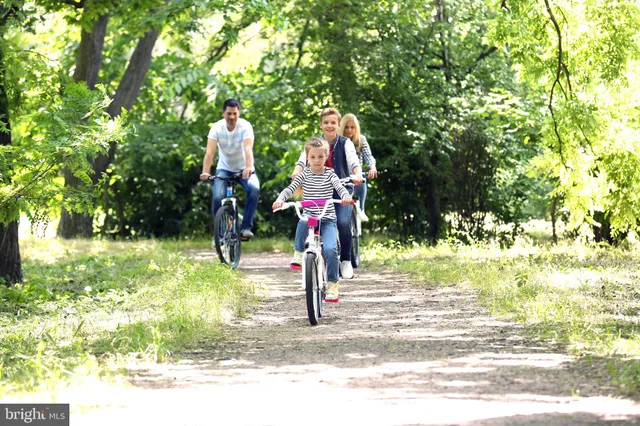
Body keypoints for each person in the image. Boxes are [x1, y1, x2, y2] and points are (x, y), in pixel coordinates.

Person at [274, 138, 352, 302]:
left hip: (328, 218)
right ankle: (298, 253)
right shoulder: (304, 175)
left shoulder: (330, 174)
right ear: (307, 158)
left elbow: (340, 188)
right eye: (313, 157)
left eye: (320, 157)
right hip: (311, 218)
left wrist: (345, 196)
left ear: (326, 156)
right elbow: (290, 189)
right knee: (303, 221)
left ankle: (332, 284)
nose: (316, 160)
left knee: (330, 250)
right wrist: (280, 199)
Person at [291, 108, 363, 279]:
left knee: (343, 223)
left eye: (333, 123)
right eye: (326, 122)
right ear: (321, 125)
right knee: (308, 221)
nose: (329, 125)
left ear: (338, 125)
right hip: (319, 191)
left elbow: (353, 161)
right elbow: (303, 159)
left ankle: (345, 259)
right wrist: (297, 171)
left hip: (342, 191)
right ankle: (308, 253)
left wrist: (357, 173)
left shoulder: (345, 143)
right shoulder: (315, 143)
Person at [200, 98, 259, 240]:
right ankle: (219, 236)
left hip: (244, 169)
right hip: (224, 169)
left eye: (235, 114)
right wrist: (205, 171)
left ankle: (245, 228)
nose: (232, 117)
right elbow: (210, 152)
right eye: (229, 114)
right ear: (223, 113)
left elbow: (248, 148)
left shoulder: (245, 126)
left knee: (254, 189)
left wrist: (249, 167)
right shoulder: (216, 127)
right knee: (217, 198)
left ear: (238, 113)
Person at [339, 113, 377, 222]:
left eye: (352, 127)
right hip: (341, 176)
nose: (349, 130)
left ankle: (361, 209)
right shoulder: (337, 141)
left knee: (361, 181)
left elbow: (368, 156)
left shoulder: (361, 140)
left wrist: (372, 167)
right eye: (346, 127)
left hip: (356, 175)